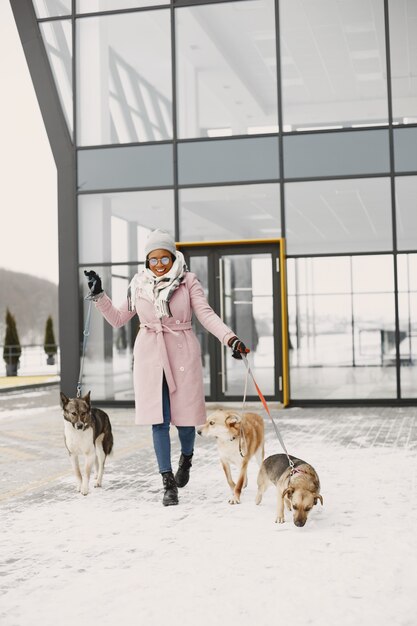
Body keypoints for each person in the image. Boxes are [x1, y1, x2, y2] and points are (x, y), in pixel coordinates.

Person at [84, 229, 249, 506]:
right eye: (153, 259)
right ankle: (167, 482)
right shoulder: (138, 285)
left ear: (173, 257)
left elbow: (206, 315)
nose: (158, 264)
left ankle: (186, 457)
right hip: (150, 356)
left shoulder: (188, 282)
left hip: (182, 354)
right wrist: (99, 295)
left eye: (164, 258)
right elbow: (117, 319)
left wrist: (229, 338)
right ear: (147, 262)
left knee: (185, 422)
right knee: (158, 421)